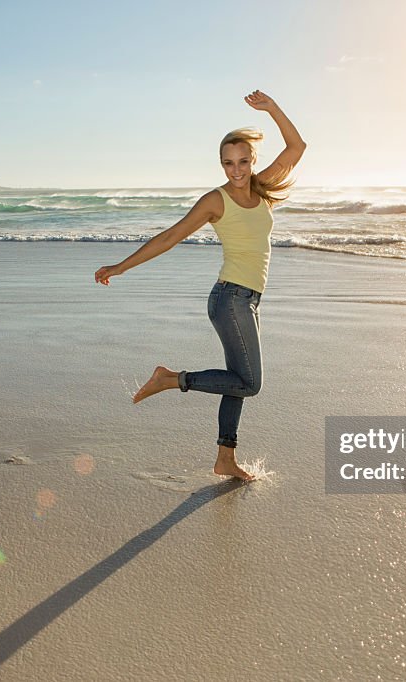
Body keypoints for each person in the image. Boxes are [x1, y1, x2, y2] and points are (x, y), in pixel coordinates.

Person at [94, 90, 306, 481]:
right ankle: (171, 379)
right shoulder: (216, 200)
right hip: (231, 300)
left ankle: (225, 458)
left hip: (248, 301)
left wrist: (272, 108)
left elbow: (297, 146)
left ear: (252, 161)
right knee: (250, 383)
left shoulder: (260, 190)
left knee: (237, 382)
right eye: (228, 163)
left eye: (243, 162)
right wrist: (121, 267)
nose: (236, 170)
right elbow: (169, 237)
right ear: (221, 165)